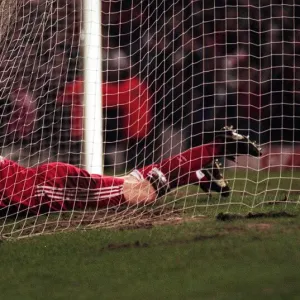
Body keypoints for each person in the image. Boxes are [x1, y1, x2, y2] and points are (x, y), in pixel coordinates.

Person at [0, 127, 261, 216]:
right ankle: (198, 174)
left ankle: (218, 145)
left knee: (142, 192)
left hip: (48, 187)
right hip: (46, 182)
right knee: (132, 183)